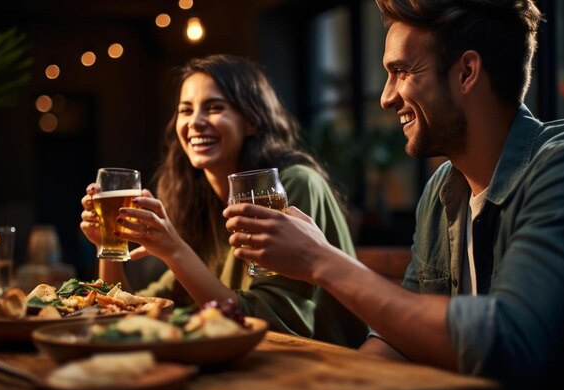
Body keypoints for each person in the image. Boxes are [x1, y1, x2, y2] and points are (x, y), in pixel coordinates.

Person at [224, 0, 564, 390]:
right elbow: (399, 342)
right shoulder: (440, 192)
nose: (385, 97)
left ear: (466, 72)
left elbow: (508, 344)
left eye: (402, 72)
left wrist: (322, 260)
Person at [80, 54, 370, 348]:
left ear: (251, 122)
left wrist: (175, 250)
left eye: (215, 107)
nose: (195, 122)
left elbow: (269, 326)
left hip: (324, 367)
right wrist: (107, 245)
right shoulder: (199, 202)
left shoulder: (287, 187)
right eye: (186, 110)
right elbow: (137, 310)